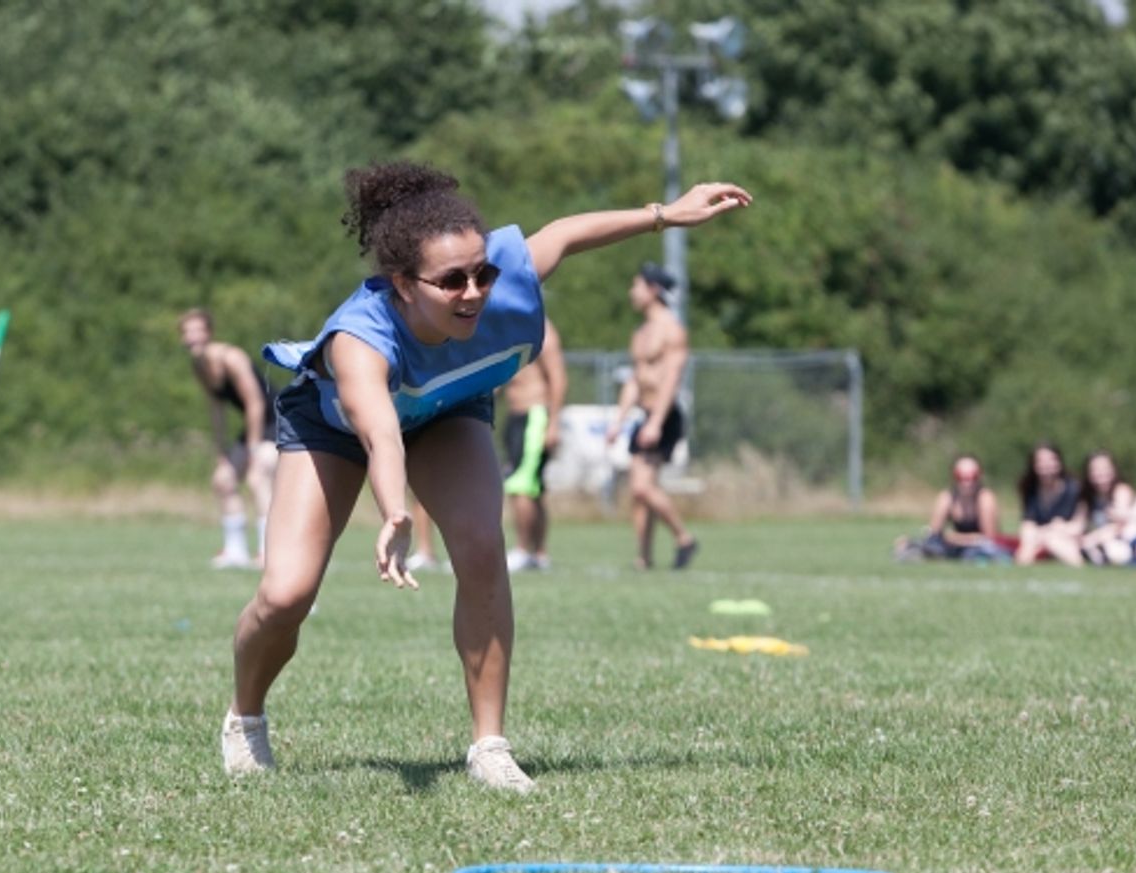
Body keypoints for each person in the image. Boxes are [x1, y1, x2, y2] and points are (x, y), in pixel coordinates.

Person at [220, 160, 751, 790]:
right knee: (286, 594)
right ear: (403, 284)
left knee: (479, 542)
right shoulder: (360, 340)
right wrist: (395, 510)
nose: (474, 291)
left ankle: (490, 747)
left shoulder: (502, 279)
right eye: (452, 281)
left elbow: (566, 234)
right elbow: (381, 433)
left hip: (446, 409)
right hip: (335, 428)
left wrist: (667, 213)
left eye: (482, 272)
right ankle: (245, 717)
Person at [607, 262, 697, 570]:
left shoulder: (671, 330)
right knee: (638, 492)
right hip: (643, 415)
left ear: (653, 289)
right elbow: (635, 380)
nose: (632, 292)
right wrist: (619, 421)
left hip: (664, 416)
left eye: (637, 285)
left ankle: (684, 537)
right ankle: (644, 557)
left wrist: (656, 422)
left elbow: (672, 378)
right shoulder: (641, 332)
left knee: (642, 487)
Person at [178, 308, 279, 569]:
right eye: (187, 332)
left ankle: (269, 552)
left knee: (258, 478)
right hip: (253, 427)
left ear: (209, 333)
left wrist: (254, 450)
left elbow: (255, 403)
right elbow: (216, 407)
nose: (193, 337)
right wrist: (221, 451)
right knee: (223, 480)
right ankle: (236, 552)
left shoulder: (231, 358)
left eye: (198, 331)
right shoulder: (199, 366)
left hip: (277, 421)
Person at [503, 317, 567, 572]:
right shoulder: (510, 327)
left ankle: (522, 550)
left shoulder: (543, 329)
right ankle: (539, 553)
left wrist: (554, 423)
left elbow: (558, 377)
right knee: (533, 488)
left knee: (521, 485)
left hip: (535, 415)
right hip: (516, 415)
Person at [893, 455, 1011, 562]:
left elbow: (989, 538)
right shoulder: (947, 497)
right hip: (953, 546)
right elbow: (933, 533)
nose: (967, 482)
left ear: (979, 476)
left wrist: (956, 538)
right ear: (954, 477)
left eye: (972, 476)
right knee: (928, 545)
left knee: (978, 553)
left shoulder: (985, 498)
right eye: (961, 476)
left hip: (980, 547)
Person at [1014, 442, 1083, 567]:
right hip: (1038, 537)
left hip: (1065, 537)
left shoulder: (1073, 488)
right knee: (1026, 548)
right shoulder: (1029, 488)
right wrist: (1043, 534)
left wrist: (1053, 532)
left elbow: (1078, 525)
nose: (1046, 466)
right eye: (1041, 461)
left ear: (1059, 463)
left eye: (1051, 460)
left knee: (1060, 545)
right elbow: (1028, 523)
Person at [1076, 449, 1136, 565]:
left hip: (1121, 542)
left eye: (1105, 468)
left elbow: (1121, 525)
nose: (1101, 473)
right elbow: (1079, 523)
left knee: (1114, 550)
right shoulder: (1087, 496)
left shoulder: (1121, 491)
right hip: (1094, 542)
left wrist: (1093, 538)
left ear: (1114, 470)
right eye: (1096, 470)